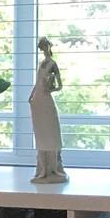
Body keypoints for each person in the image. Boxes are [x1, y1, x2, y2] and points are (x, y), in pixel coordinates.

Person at [29, 36, 68, 183]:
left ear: (48, 47)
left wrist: (50, 89)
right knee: (40, 132)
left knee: (50, 131)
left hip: (46, 99)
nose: (43, 50)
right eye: (41, 48)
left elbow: (59, 85)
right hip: (37, 100)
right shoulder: (41, 63)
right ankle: (43, 168)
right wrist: (31, 95)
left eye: (44, 47)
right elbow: (37, 82)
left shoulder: (52, 64)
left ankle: (53, 167)